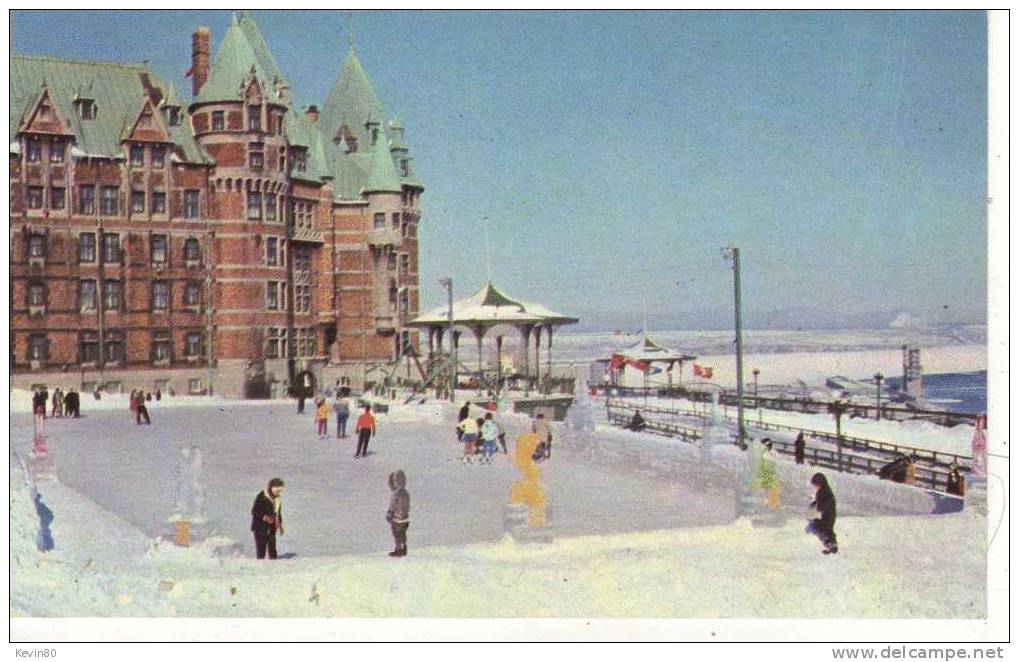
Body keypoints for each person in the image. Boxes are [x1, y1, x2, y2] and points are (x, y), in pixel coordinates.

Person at [250, 478, 285, 560]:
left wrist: (279, 524)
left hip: (272, 527)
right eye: (277, 490)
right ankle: (261, 568)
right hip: (260, 528)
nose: (278, 492)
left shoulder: (277, 499)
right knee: (261, 551)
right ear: (271, 488)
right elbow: (255, 510)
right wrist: (265, 517)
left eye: (280, 490)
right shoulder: (262, 497)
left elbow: (278, 513)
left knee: (273, 550)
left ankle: (274, 567)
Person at [807, 472, 838, 554]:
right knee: (825, 530)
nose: (815, 487)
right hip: (828, 514)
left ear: (820, 483)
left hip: (829, 514)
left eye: (816, 485)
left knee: (823, 529)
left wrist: (820, 507)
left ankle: (832, 545)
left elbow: (828, 502)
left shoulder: (824, 491)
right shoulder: (823, 490)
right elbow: (819, 500)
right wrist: (814, 503)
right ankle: (830, 545)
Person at [386, 469, 410, 557]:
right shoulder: (406, 493)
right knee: (402, 533)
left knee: (397, 534)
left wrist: (390, 514)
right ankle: (403, 547)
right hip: (405, 518)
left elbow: (393, 505)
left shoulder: (396, 494)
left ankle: (399, 548)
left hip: (398, 518)